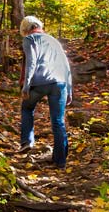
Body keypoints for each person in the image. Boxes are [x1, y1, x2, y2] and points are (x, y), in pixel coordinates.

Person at [18, 15, 72, 168]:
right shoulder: (54, 41)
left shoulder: (29, 39)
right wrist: (69, 89)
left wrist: (26, 85)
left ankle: (27, 141)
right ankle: (60, 161)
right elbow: (66, 65)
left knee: (27, 108)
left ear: (25, 29)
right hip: (59, 83)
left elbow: (31, 62)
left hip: (39, 82)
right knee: (58, 122)